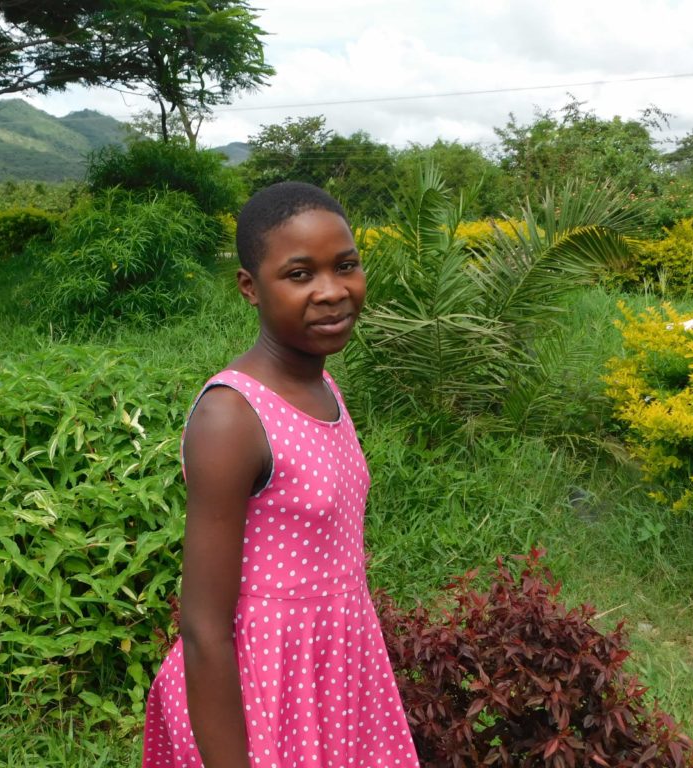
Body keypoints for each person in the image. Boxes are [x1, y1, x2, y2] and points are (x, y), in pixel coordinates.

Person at [142, 182, 418, 768]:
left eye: (346, 266)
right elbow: (203, 627)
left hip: (336, 669)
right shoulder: (233, 417)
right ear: (250, 287)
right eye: (300, 275)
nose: (332, 292)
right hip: (260, 697)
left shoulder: (323, 386)